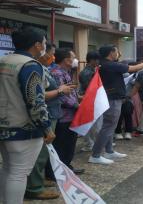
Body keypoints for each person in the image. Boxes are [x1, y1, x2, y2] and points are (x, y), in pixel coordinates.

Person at [0, 27, 55, 204]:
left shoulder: (4, 60)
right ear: (37, 45)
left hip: (4, 126)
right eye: (44, 43)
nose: (45, 47)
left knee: (8, 169)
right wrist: (46, 127)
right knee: (18, 172)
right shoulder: (30, 65)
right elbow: (35, 100)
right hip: (23, 128)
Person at [89, 45, 143, 165]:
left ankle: (109, 151)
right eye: (116, 51)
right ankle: (95, 155)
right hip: (112, 98)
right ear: (111, 52)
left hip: (112, 97)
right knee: (108, 126)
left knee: (109, 126)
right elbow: (133, 68)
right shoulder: (110, 64)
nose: (118, 53)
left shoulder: (105, 64)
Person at [26, 44, 74, 200]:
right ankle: (35, 187)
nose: (52, 57)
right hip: (44, 114)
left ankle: (39, 180)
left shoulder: (43, 68)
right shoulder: (33, 68)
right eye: (51, 54)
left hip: (52, 112)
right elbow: (39, 95)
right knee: (40, 152)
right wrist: (60, 90)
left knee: (44, 151)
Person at [49, 48, 84, 175]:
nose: (75, 60)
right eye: (73, 57)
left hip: (70, 115)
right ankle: (57, 172)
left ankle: (66, 168)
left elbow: (69, 92)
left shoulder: (65, 72)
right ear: (66, 60)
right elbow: (61, 96)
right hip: (63, 116)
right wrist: (77, 105)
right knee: (61, 145)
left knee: (69, 144)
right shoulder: (57, 73)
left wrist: (80, 98)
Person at [78, 51, 101, 152]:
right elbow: (90, 88)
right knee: (92, 124)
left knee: (91, 123)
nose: (98, 62)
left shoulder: (90, 71)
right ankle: (90, 144)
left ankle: (90, 143)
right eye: (97, 60)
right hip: (89, 99)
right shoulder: (88, 73)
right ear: (92, 60)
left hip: (89, 99)